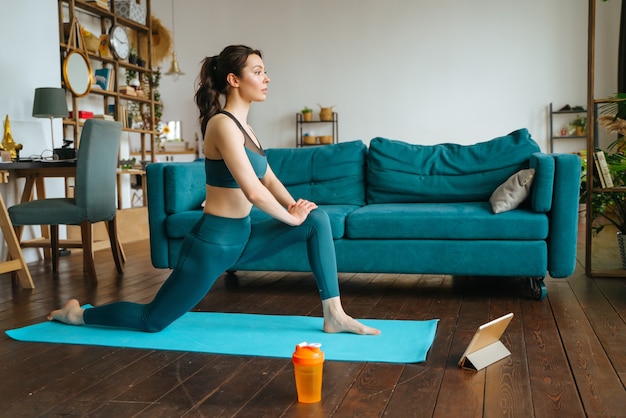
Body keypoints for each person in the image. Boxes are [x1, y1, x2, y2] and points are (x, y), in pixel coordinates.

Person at [49, 45, 380, 336]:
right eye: (258, 71)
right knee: (152, 320)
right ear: (234, 80)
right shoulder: (221, 124)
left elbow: (268, 179)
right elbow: (252, 191)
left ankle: (334, 314)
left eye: (265, 72)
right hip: (213, 245)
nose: (266, 78)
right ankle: (78, 314)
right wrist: (290, 219)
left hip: (243, 237)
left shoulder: (247, 128)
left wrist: (298, 207)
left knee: (317, 219)